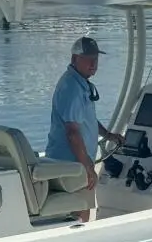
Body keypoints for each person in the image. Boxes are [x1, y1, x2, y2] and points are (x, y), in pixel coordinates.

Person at [45, 36, 124, 222]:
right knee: (82, 211)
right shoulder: (72, 87)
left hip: (72, 161)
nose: (93, 64)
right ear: (74, 59)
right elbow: (72, 132)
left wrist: (108, 135)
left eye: (96, 59)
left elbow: (87, 120)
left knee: (81, 209)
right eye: (88, 59)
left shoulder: (79, 83)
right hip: (71, 164)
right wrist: (88, 166)